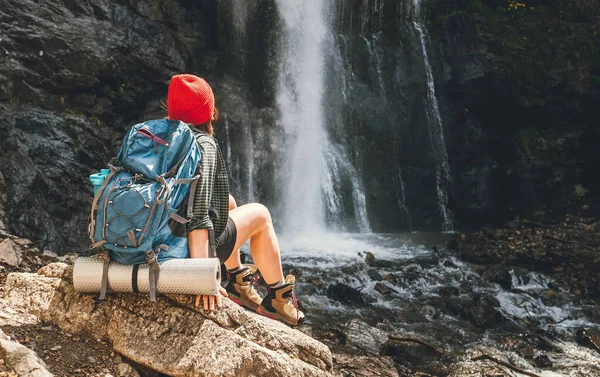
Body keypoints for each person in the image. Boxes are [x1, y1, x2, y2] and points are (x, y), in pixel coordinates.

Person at [166, 74, 304, 327]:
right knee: (261, 214)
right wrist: (204, 279)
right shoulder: (202, 144)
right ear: (207, 111)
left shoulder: (154, 136)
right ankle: (278, 297)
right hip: (180, 251)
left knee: (227, 202)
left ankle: (238, 281)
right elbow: (197, 217)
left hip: (155, 240)